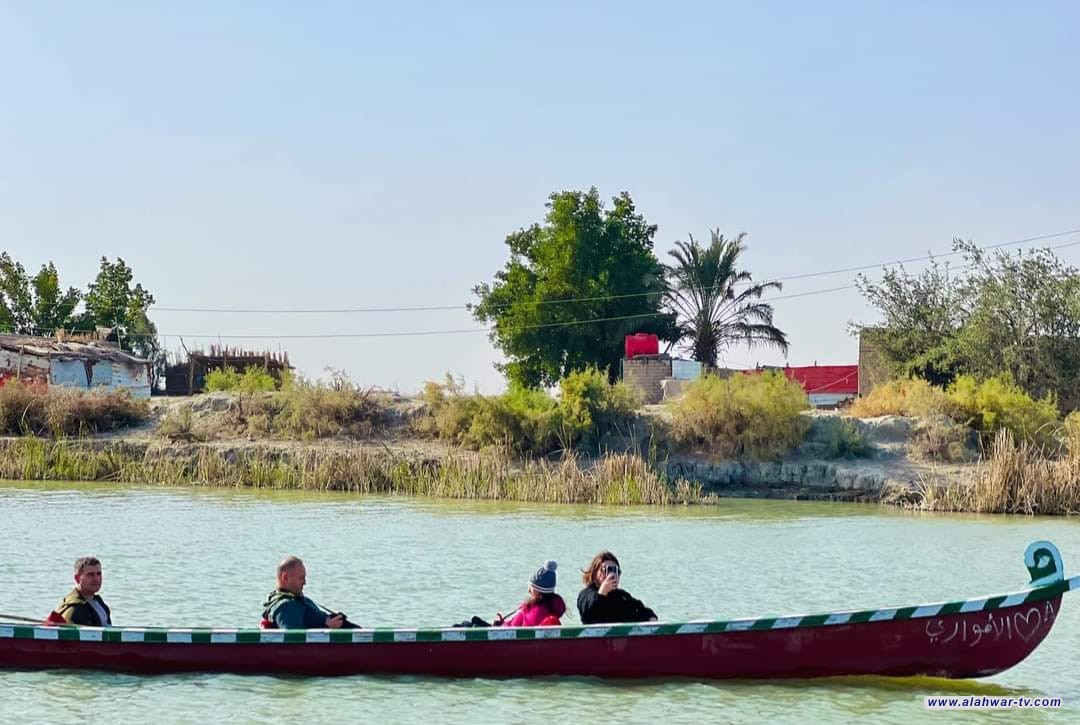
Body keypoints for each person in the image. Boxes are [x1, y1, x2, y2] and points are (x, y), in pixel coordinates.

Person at [262, 556, 358, 629]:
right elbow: (293, 640)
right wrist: (327, 627)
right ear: (285, 577)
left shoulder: (299, 600)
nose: (305, 582)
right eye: (301, 578)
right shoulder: (285, 606)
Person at [577, 551, 657, 624]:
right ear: (595, 574)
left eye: (616, 571)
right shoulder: (586, 594)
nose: (612, 575)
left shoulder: (622, 596)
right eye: (606, 570)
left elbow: (642, 611)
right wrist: (602, 592)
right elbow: (590, 612)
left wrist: (651, 619)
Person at [495, 560, 566, 627]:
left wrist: (498, 626)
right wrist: (502, 622)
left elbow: (513, 630)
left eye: (531, 588)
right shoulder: (548, 610)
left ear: (539, 592)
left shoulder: (535, 613)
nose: (528, 590)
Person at [51, 556, 112, 626]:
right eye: (90, 575)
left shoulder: (98, 602)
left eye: (99, 574)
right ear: (77, 578)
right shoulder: (75, 609)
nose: (96, 579)